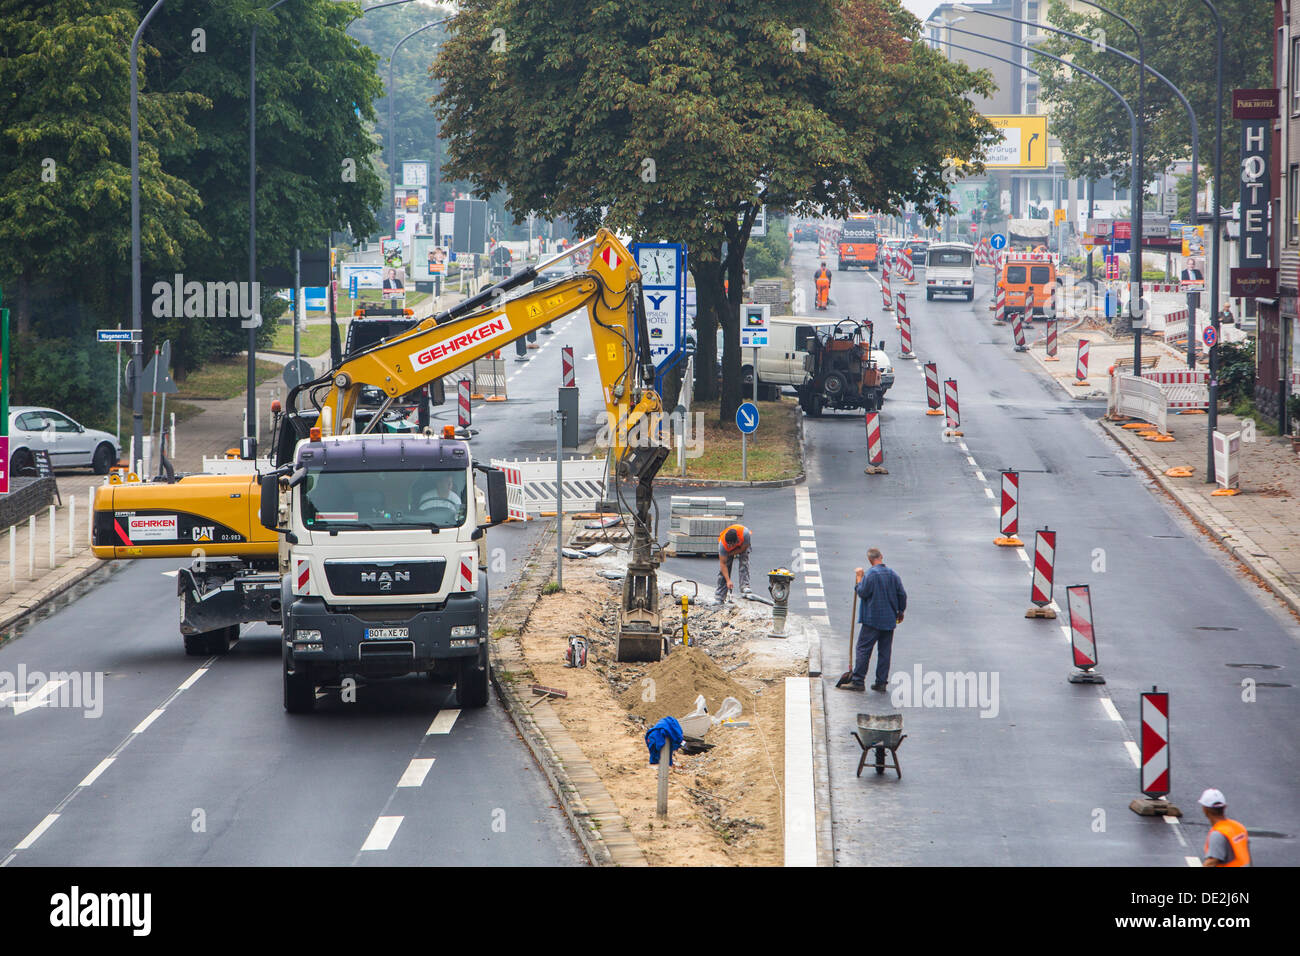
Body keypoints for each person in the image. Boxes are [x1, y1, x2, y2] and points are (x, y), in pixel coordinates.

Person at [838, 547, 907, 692]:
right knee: (885, 651)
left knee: (863, 649)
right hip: (889, 620)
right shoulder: (893, 574)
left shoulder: (870, 575)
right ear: (881, 556)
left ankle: (858, 681)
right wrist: (901, 611)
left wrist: (859, 578)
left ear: (869, 560)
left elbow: (862, 592)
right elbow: (902, 594)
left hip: (872, 620)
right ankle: (881, 682)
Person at [1199, 789, 1251, 867]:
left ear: (1205, 809)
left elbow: (1211, 862)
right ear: (1224, 807)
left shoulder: (1218, 833)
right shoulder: (1239, 827)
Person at [715, 524, 752, 602]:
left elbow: (743, 549)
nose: (731, 546)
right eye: (729, 544)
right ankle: (720, 596)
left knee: (744, 562)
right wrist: (728, 580)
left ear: (737, 540)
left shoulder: (745, 534)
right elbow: (723, 564)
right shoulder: (723, 545)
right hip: (727, 551)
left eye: (732, 544)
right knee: (724, 571)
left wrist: (731, 553)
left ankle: (745, 586)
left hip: (743, 545)